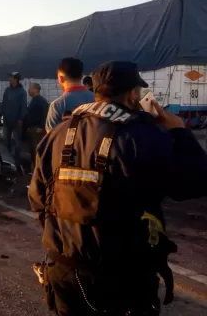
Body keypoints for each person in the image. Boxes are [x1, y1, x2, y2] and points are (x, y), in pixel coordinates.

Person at [28, 61, 207, 315]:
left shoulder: (58, 133)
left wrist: (64, 239)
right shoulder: (141, 136)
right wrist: (179, 132)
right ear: (133, 94)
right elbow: (193, 182)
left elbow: (37, 198)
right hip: (121, 278)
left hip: (63, 269)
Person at [45, 58, 95, 132]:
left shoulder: (57, 105)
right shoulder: (97, 99)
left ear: (61, 78)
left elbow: (51, 138)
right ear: (82, 76)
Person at [0, 72, 27, 170]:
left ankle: (17, 162)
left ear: (16, 79)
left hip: (16, 122)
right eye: (9, 77)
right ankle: (7, 162)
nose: (9, 79)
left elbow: (23, 107)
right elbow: (3, 103)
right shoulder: (7, 90)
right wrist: (0, 115)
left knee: (17, 142)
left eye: (11, 77)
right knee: (5, 141)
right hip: (7, 121)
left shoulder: (22, 92)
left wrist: (20, 119)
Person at [25, 83, 49, 174]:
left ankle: (38, 171)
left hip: (37, 130)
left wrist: (41, 127)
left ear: (36, 90)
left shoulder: (40, 101)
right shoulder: (35, 100)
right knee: (33, 150)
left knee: (37, 151)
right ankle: (35, 169)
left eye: (30, 88)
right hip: (33, 129)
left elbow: (46, 115)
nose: (28, 90)